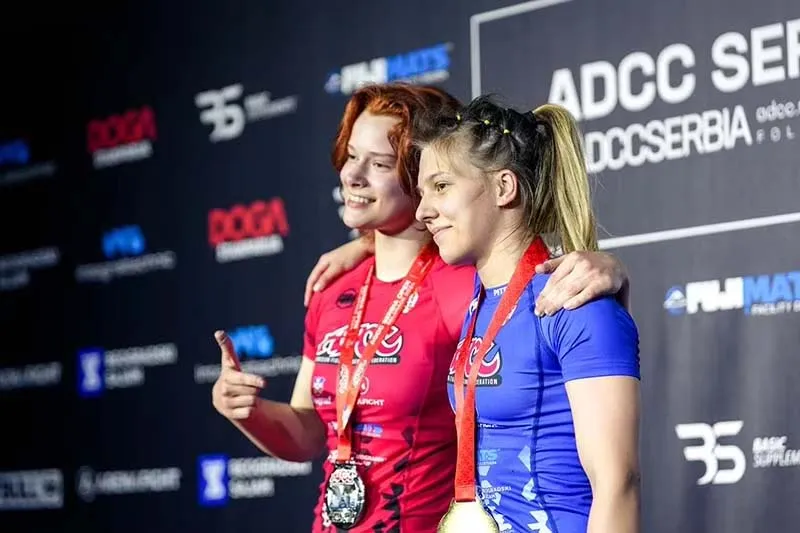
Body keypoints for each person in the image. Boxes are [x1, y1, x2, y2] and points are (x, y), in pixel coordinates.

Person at [211, 83, 631, 533]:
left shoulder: (461, 284)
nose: (352, 176)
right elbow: (310, 432)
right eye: (351, 156)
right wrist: (248, 411)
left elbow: (526, 280)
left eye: (380, 163)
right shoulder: (332, 287)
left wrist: (611, 272)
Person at [414, 96, 641, 532]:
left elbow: (619, 484)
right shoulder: (480, 305)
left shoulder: (574, 301)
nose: (423, 211)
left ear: (504, 187)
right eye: (422, 193)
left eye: (441, 187)